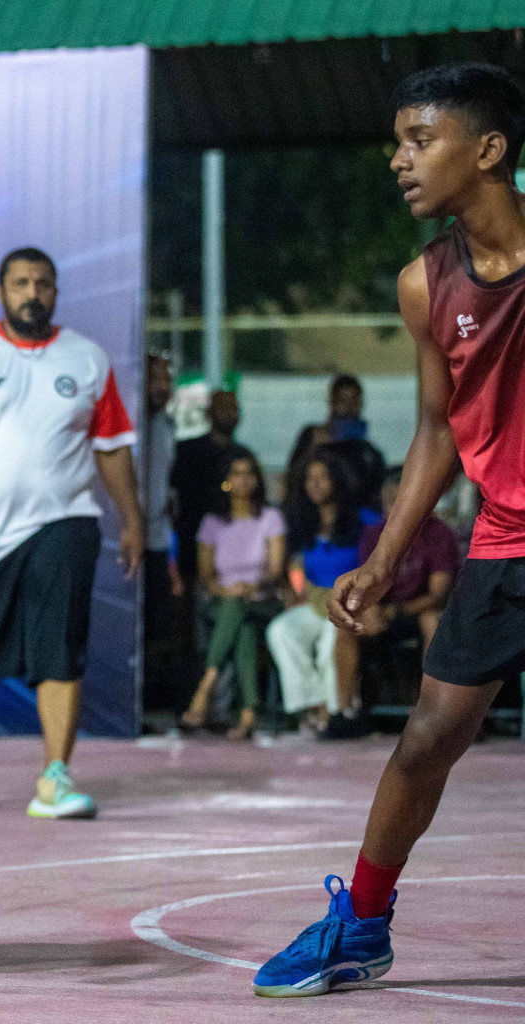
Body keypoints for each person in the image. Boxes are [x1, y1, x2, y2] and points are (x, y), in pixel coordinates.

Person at [256, 63, 525, 998]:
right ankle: (362, 927)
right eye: (398, 141)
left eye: (420, 141)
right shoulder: (425, 284)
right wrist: (383, 556)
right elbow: (436, 431)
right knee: (425, 740)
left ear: (488, 151)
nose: (398, 159)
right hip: (501, 543)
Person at [0, 247, 143, 817]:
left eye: (43, 283)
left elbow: (110, 448)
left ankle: (55, 777)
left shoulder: (87, 359)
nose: (32, 293)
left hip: (64, 522)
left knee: (59, 650)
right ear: (1, 292)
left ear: (56, 292)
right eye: (21, 283)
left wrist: (133, 518)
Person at [324, 467, 459, 739]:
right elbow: (367, 579)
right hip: (383, 608)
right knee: (347, 622)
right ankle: (344, 710)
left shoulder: (439, 534)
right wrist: (371, 609)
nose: (391, 507)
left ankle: (430, 710)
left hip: (417, 610)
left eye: (397, 499)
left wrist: (394, 611)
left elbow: (438, 593)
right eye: (387, 500)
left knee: (431, 619)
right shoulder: (375, 533)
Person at [178, 447, 284, 739]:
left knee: (242, 615)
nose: (244, 480)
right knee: (241, 624)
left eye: (249, 473)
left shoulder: (270, 518)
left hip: (261, 601)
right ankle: (248, 713)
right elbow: (204, 575)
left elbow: (275, 572)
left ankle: (205, 686)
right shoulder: (212, 523)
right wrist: (223, 589)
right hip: (220, 601)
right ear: (226, 481)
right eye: (237, 474)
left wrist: (253, 586)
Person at [266, 451, 364, 734]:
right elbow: (293, 569)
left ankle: (334, 713)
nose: (315, 484)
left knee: (328, 645)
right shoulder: (299, 522)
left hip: (348, 604)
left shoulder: (362, 521)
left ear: (337, 480)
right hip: (313, 602)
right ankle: (313, 705)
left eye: (322, 477)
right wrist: (295, 592)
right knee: (281, 631)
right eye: (310, 478)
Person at [286, 376, 385, 513]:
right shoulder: (312, 437)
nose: (349, 408)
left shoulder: (369, 453)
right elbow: (293, 478)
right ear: (332, 402)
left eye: (355, 401)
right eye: (343, 401)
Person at [170, 389, 239, 587]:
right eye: (223, 407)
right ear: (209, 413)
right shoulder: (186, 452)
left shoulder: (242, 456)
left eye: (233, 407)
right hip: (191, 542)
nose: (229, 413)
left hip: (233, 546)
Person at [142, 355, 178, 665]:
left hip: (156, 540)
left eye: (167, 380)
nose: (162, 387)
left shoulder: (166, 425)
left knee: (157, 625)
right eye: (155, 379)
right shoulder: (129, 422)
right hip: (128, 539)